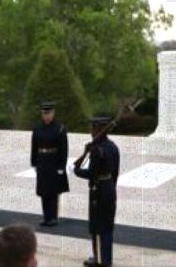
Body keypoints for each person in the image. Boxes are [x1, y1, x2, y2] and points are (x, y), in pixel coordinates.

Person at [73, 114, 120, 267]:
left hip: (98, 191)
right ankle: (107, 259)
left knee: (98, 227)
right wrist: (110, 186)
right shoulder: (113, 146)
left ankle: (99, 260)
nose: (90, 130)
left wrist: (76, 171)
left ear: (97, 129)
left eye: (92, 128)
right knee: (107, 226)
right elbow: (115, 172)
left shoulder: (97, 150)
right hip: (110, 189)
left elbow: (91, 174)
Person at [30, 101, 69, 227]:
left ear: (53, 113)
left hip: (54, 161)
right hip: (42, 161)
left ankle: (53, 217)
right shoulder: (37, 128)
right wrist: (34, 162)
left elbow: (64, 149)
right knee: (43, 191)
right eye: (44, 113)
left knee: (53, 191)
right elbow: (34, 146)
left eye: (49, 113)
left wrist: (61, 166)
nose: (46, 116)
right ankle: (46, 217)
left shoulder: (60, 128)